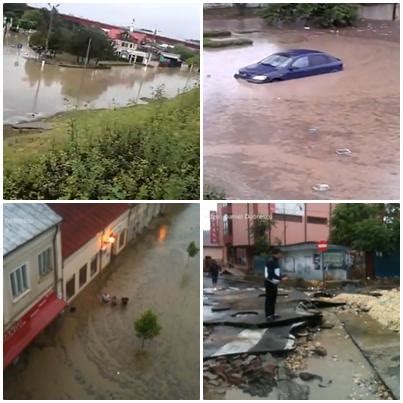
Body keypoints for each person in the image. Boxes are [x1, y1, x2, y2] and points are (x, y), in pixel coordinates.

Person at [265, 248, 287, 320]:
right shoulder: (271, 261)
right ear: (276, 254)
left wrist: (281, 276)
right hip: (270, 283)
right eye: (280, 254)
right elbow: (270, 274)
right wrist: (281, 278)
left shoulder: (275, 261)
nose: (281, 255)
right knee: (269, 299)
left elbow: (276, 272)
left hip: (273, 283)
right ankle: (268, 315)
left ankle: (272, 314)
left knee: (273, 299)